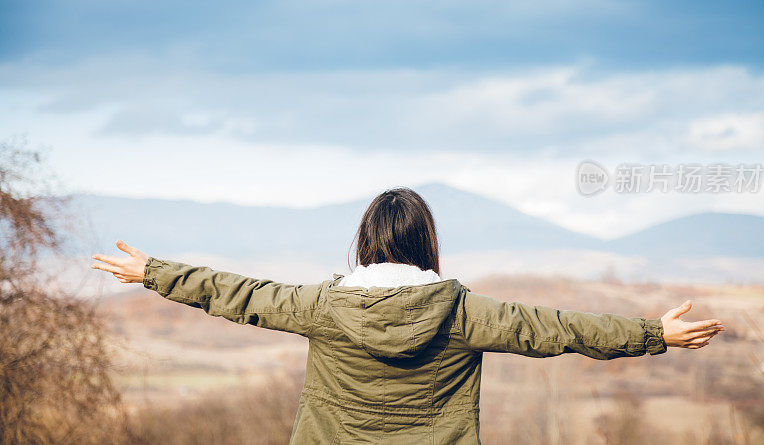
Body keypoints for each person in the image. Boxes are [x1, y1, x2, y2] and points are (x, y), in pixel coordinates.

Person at [91, 187, 724, 444]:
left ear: (364, 242)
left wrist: (153, 272)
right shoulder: (466, 313)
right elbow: (559, 328)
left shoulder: (324, 306)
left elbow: (241, 294)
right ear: (427, 244)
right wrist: (652, 334)